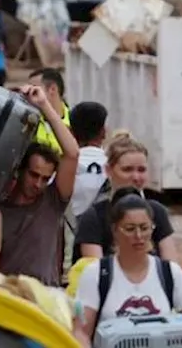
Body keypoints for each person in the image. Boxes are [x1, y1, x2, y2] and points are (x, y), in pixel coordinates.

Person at [0, 84, 78, 286]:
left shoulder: (53, 200)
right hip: (10, 303)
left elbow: (72, 153)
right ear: (19, 170)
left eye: (45, 178)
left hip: (46, 299)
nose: (38, 184)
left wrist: (44, 105)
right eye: (33, 175)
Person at [71, 189, 182, 346]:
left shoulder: (170, 273)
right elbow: (81, 331)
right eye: (129, 229)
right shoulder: (95, 275)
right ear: (115, 230)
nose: (138, 236)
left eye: (144, 228)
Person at [74, 133, 178, 263]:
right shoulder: (94, 217)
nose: (135, 177)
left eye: (141, 170)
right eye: (127, 170)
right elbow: (96, 272)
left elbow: (171, 267)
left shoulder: (158, 212)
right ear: (108, 170)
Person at [67, 102, 110, 263]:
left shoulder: (60, 170)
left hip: (68, 250)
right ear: (103, 132)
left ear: (71, 132)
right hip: (106, 250)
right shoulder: (118, 168)